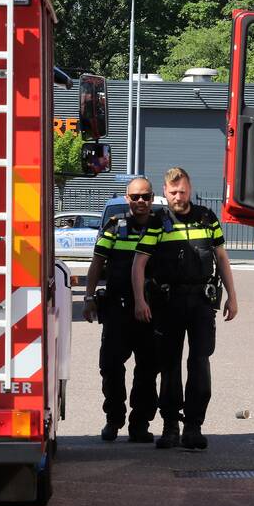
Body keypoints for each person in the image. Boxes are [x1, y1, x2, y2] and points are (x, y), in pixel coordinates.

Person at [132, 167, 238, 450]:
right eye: (173, 192)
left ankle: (193, 426)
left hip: (201, 302)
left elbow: (221, 257)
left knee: (200, 363)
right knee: (169, 366)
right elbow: (139, 263)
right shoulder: (157, 221)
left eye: (182, 191)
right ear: (165, 193)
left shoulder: (207, 218)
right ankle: (170, 426)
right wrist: (140, 300)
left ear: (190, 189)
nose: (178, 197)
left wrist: (232, 296)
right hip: (168, 304)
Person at [82, 177, 160, 442]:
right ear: (128, 199)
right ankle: (113, 419)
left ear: (152, 198)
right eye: (135, 197)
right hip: (117, 309)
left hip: (151, 311)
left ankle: (140, 424)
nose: (141, 201)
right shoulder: (115, 227)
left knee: (148, 370)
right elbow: (97, 263)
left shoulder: (162, 227)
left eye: (145, 196)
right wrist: (88, 297)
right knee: (111, 367)